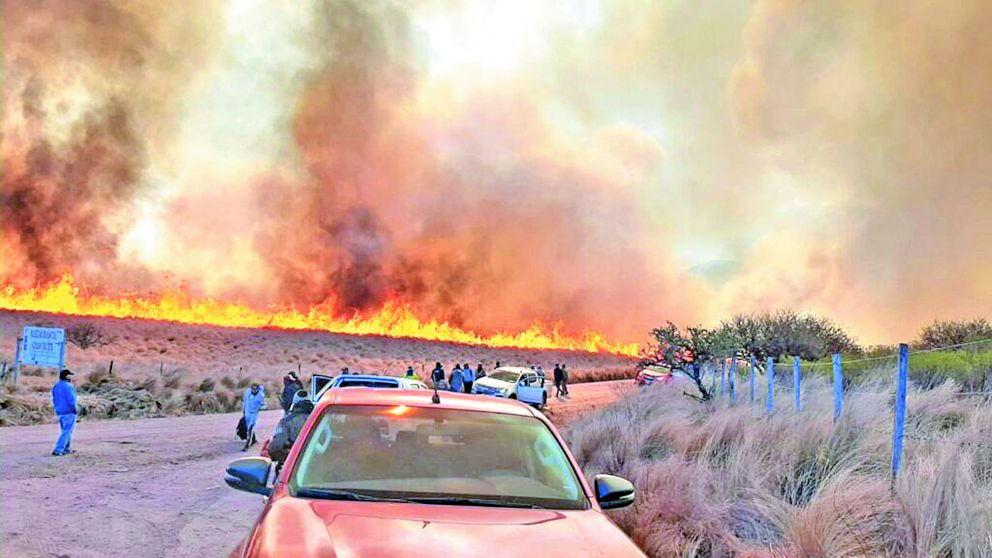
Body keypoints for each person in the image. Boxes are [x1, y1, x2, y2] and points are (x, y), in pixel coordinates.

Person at [268, 390, 314, 472]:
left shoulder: (286, 421)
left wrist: (289, 459)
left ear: (294, 403)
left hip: (294, 470)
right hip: (317, 465)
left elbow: (275, 447)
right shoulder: (322, 419)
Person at [51, 369, 78, 456]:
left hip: (59, 411)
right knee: (67, 431)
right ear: (66, 376)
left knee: (65, 430)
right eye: (69, 375)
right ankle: (58, 449)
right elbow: (71, 400)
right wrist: (75, 409)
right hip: (68, 411)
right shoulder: (69, 386)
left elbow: (54, 399)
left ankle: (66, 448)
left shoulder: (56, 386)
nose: (71, 377)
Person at [242, 383, 267, 451]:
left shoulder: (261, 395)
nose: (254, 390)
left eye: (255, 389)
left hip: (254, 414)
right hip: (247, 412)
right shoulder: (247, 392)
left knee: (250, 428)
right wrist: (243, 410)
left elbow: (265, 405)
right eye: (252, 389)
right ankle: (253, 439)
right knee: (247, 427)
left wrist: (259, 408)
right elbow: (245, 401)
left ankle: (247, 444)